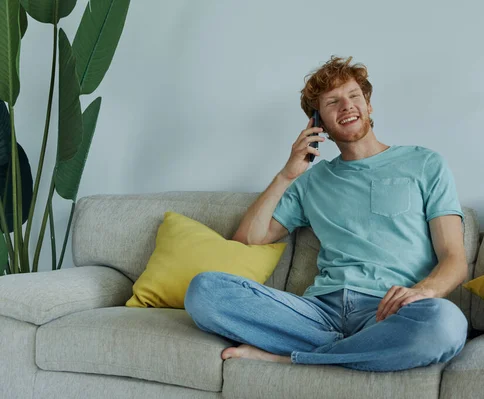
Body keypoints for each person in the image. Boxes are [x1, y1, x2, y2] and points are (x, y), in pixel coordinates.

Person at [184, 56, 468, 372]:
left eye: (354, 96)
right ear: (318, 123)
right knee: (204, 291)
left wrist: (421, 292)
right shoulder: (310, 182)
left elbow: (454, 259)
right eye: (333, 102)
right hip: (319, 312)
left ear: (369, 105)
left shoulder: (425, 164)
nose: (346, 106)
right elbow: (248, 239)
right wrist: (287, 174)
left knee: (447, 325)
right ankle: (349, 352)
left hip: (391, 313)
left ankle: (288, 357)